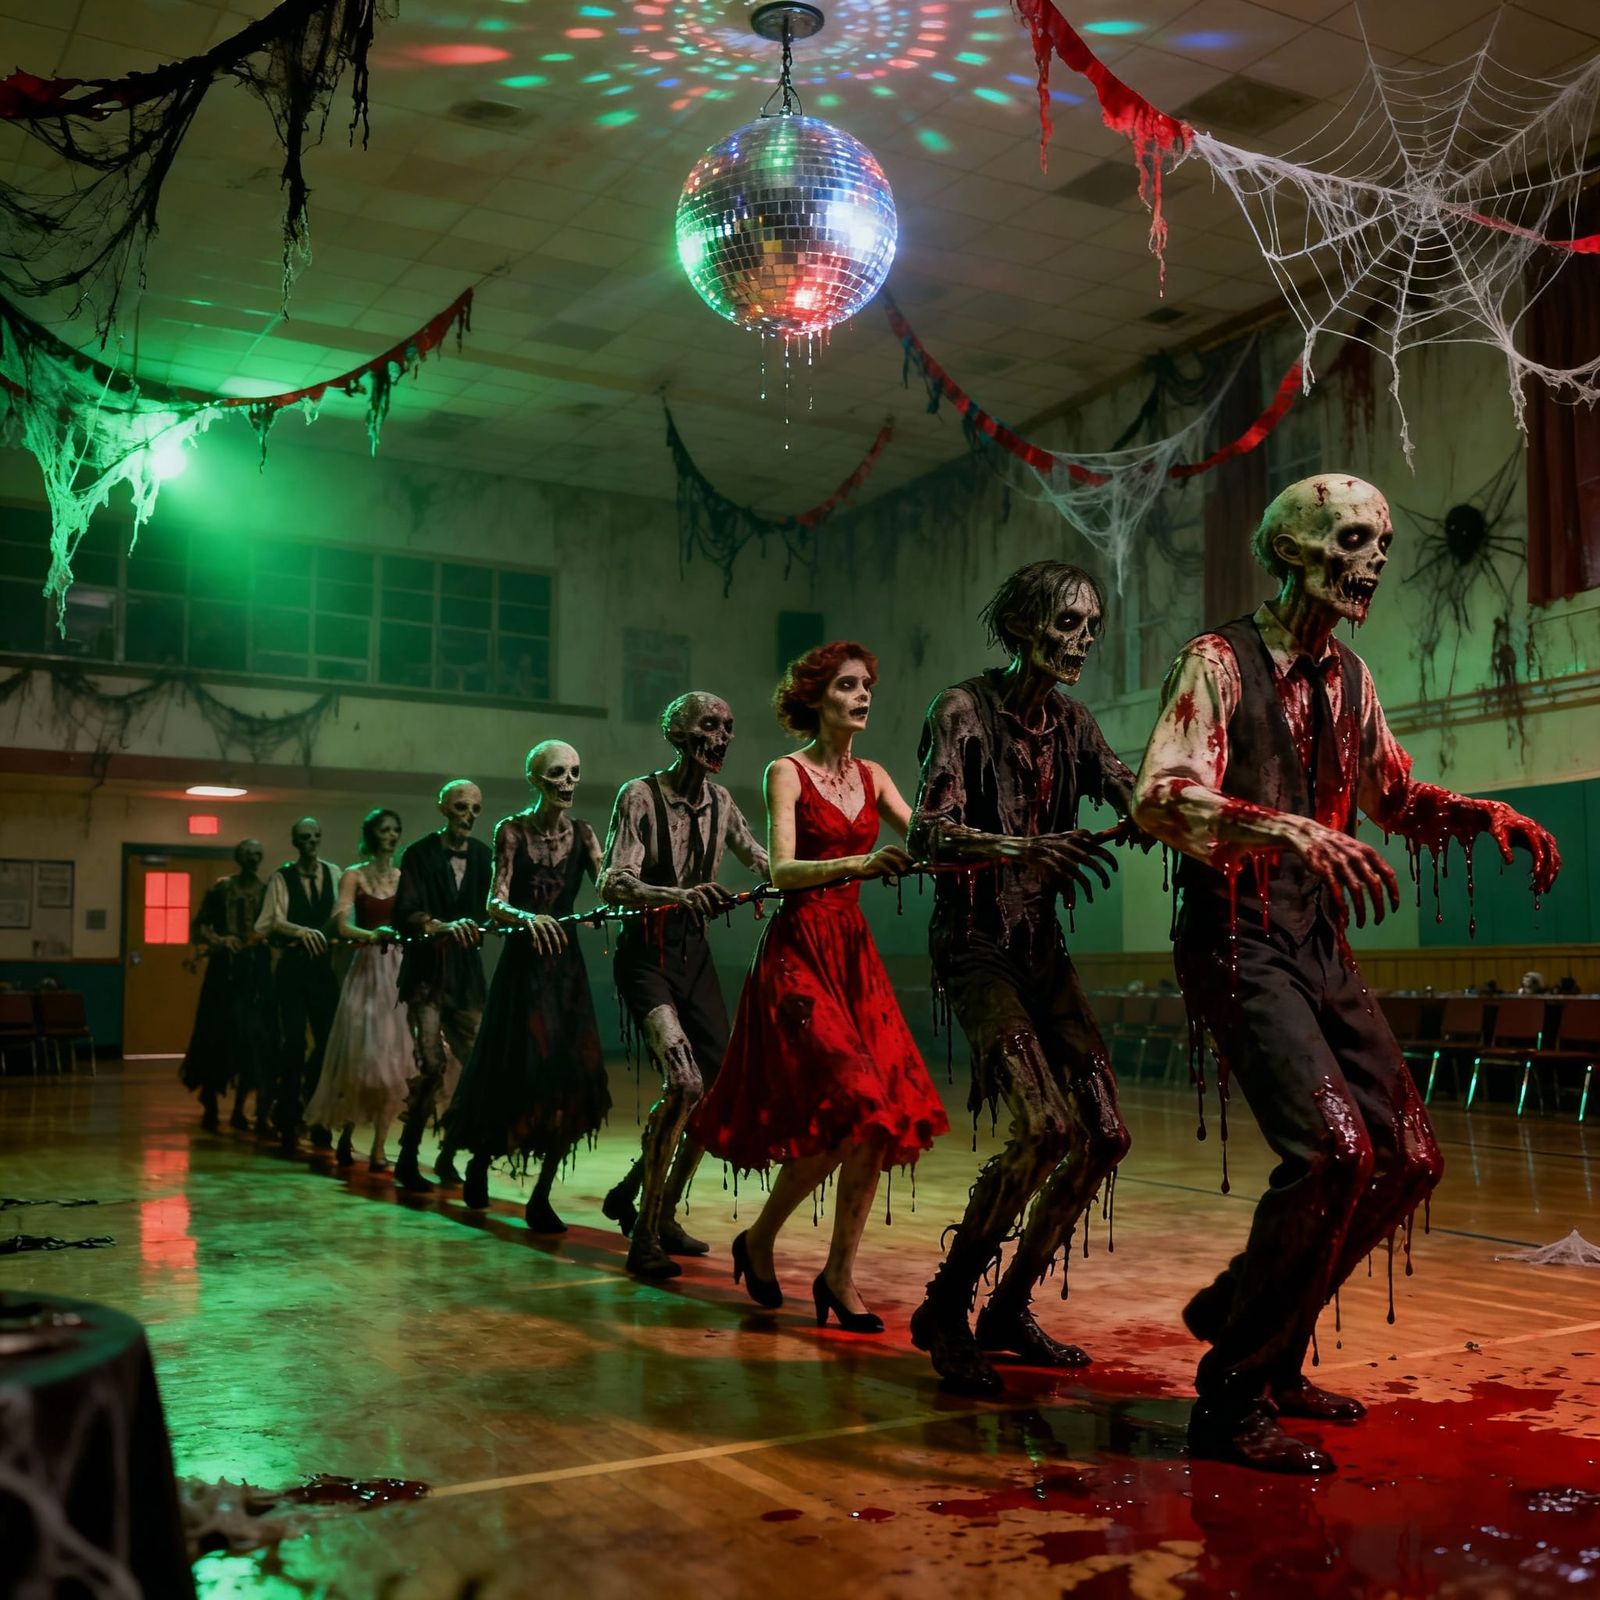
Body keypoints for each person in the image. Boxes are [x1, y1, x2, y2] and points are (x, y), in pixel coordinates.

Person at [1132, 473, 1560, 1474]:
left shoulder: (1351, 677)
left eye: (1380, 544)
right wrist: (1285, 827)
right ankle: (1231, 1395)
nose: (1373, 559)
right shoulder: (1215, 662)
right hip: (1234, 933)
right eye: (1353, 540)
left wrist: (1478, 813)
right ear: (1291, 553)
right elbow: (1160, 797)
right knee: (1332, 1152)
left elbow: (1394, 792)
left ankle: (1260, 1334)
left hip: (1315, 941)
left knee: (1405, 1154)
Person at [906, 561, 1134, 1397]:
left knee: (1103, 1134)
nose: (1081, 643)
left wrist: (1178, 813)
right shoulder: (962, 709)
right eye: (1065, 624)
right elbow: (930, 833)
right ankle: (947, 1303)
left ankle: (1007, 1307)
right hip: (975, 945)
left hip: (1040, 946)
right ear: (1021, 627)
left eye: (1091, 627)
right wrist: (1024, 848)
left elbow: (1128, 788)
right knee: (1044, 1129)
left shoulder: (1072, 721)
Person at [697, 642, 949, 1331]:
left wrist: (1012, 841)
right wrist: (861, 862)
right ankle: (759, 1238)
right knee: (852, 1100)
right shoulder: (787, 772)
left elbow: (930, 835)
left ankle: (839, 1275)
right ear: (816, 698)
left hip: (854, 955)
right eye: (847, 685)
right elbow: (779, 872)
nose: (863, 695)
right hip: (799, 951)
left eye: (866, 684)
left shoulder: (874, 774)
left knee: (881, 1117)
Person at [599, 691, 769, 1280]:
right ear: (677, 732)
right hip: (646, 956)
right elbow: (613, 882)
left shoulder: (722, 802)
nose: (719, 738)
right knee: (685, 1083)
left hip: (693, 956)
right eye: (707, 725)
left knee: (717, 1091)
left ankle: (651, 1204)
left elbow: (761, 858)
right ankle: (643, 1237)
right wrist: (676, 895)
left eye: (727, 728)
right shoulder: (639, 796)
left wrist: (839, 868)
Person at [446, 742, 610, 1231]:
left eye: (575, 773)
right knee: (518, 1071)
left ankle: (541, 1194)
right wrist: (526, 916)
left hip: (568, 972)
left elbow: (609, 885)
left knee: (572, 1077)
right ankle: (479, 1160)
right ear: (536, 779)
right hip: (524, 971)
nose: (568, 783)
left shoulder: (584, 834)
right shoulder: (511, 831)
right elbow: (494, 901)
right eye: (558, 774)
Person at [391, 780, 491, 1194]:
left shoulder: (485, 855)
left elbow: (491, 907)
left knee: (476, 1069)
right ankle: (408, 1156)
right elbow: (406, 912)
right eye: (460, 807)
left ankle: (452, 1153)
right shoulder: (419, 853)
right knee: (431, 1066)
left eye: (474, 809)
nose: (468, 816)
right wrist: (441, 926)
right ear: (443, 808)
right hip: (427, 974)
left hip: (465, 977)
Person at [303, 808, 412, 1174]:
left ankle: (380, 1148)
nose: (392, 836)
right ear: (372, 834)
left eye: (396, 830)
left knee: (395, 1061)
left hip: (396, 970)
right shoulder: (354, 875)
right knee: (363, 1059)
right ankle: (347, 1133)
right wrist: (372, 935)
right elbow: (342, 926)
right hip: (367, 970)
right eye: (385, 830)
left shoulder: (402, 877)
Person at [255, 817, 341, 1152]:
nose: (311, 842)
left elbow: (339, 914)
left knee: (326, 1044)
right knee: (291, 1045)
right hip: (292, 968)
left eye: (316, 836)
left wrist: (328, 933)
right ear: (295, 841)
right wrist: (300, 931)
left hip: (322, 969)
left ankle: (318, 1115)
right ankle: (288, 1119)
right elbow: (269, 921)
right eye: (304, 837)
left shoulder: (333, 873)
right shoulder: (282, 876)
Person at [180, 838, 275, 1132]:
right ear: (239, 858)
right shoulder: (222, 888)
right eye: (247, 855)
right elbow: (199, 926)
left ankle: (239, 1109)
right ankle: (210, 1101)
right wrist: (221, 940)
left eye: (257, 855)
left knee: (252, 1039)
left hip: (255, 972)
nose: (253, 860)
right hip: (223, 972)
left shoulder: (265, 891)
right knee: (216, 1035)